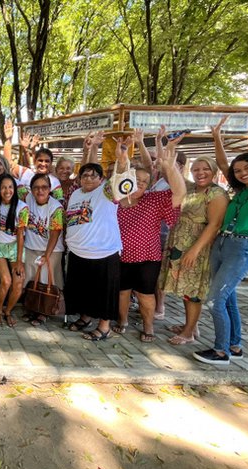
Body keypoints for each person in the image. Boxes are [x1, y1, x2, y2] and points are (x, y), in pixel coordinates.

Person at [193, 117, 248, 365]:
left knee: (215, 299)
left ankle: (221, 352)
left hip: (241, 248)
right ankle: (235, 345)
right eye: (239, 170)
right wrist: (217, 136)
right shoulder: (241, 190)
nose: (242, 174)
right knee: (228, 297)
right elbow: (222, 163)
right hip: (221, 244)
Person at [114, 137, 185, 343]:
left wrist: (171, 169)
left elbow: (179, 193)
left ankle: (148, 326)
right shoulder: (116, 200)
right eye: (136, 180)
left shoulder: (155, 199)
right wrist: (122, 158)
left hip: (147, 258)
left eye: (145, 182)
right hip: (119, 256)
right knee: (122, 293)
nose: (140, 185)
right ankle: (123, 321)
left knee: (145, 295)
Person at [160, 156, 228, 345]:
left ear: (214, 171)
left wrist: (194, 251)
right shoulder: (190, 188)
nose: (200, 173)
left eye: (205, 169)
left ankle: (189, 332)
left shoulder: (216, 194)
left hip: (198, 248)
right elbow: (168, 174)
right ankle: (191, 325)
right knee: (185, 288)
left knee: (193, 291)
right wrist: (167, 150)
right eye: (196, 169)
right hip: (180, 243)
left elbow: (214, 225)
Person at [63, 141, 123, 341]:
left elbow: (121, 176)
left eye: (93, 175)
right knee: (82, 289)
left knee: (104, 292)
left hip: (103, 252)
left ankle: (104, 327)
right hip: (79, 252)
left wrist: (121, 156)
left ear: (102, 178)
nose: (88, 178)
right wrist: (89, 147)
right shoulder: (76, 193)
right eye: (84, 175)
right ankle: (85, 318)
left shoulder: (106, 191)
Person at [0, 173, 29, 327]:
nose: (7, 190)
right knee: (6, 280)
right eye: (3, 187)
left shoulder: (22, 208)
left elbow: (20, 235)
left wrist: (19, 261)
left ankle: (8, 311)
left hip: (15, 248)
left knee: (18, 283)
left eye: (10, 187)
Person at [23, 173, 65, 326]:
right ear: (31, 189)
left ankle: (44, 312)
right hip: (31, 247)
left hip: (51, 250)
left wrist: (46, 256)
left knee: (47, 281)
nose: (40, 191)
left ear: (49, 189)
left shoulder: (56, 207)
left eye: (44, 187)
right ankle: (33, 308)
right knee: (31, 280)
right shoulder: (28, 199)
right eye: (36, 188)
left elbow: (55, 233)